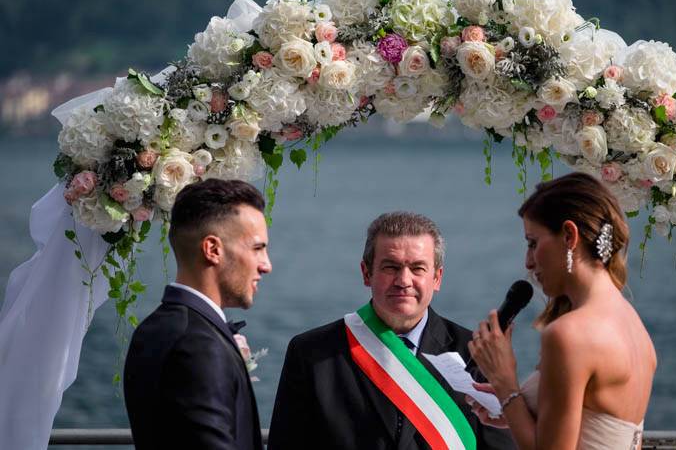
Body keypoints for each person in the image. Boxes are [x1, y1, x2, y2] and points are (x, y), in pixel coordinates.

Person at [268, 211, 513, 450]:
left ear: (437, 278)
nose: (404, 280)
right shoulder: (313, 353)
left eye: (418, 268)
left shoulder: (476, 351)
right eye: (390, 267)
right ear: (366, 273)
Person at [468, 172, 657, 450]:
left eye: (533, 242)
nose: (528, 262)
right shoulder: (632, 325)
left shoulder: (570, 334)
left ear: (569, 235)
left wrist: (504, 380)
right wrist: (515, 408)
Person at [124, 178, 271, 449]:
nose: (266, 265)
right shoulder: (198, 345)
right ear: (213, 249)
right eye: (257, 249)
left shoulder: (152, 328)